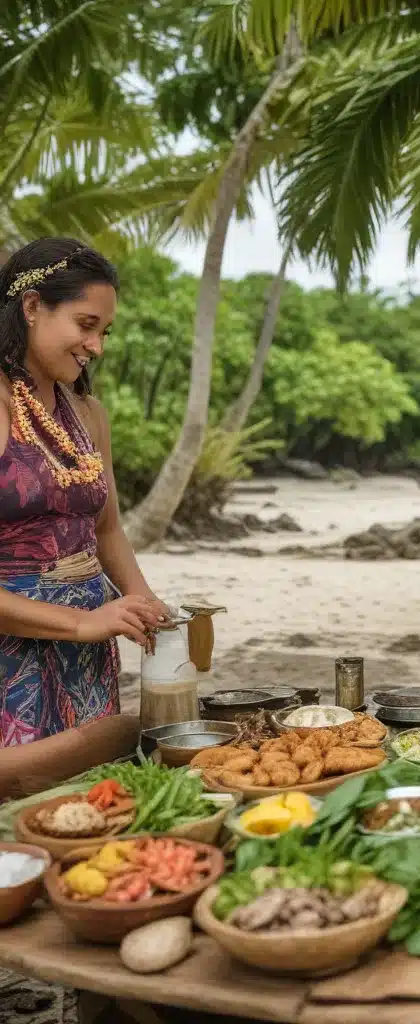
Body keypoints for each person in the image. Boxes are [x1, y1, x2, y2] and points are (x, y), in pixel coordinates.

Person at [0, 238, 168, 747]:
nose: (97, 346)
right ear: (32, 307)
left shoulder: (87, 413)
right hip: (14, 654)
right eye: (86, 325)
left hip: (90, 653)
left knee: (93, 805)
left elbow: (107, 528)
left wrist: (144, 600)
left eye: (104, 331)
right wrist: (80, 623)